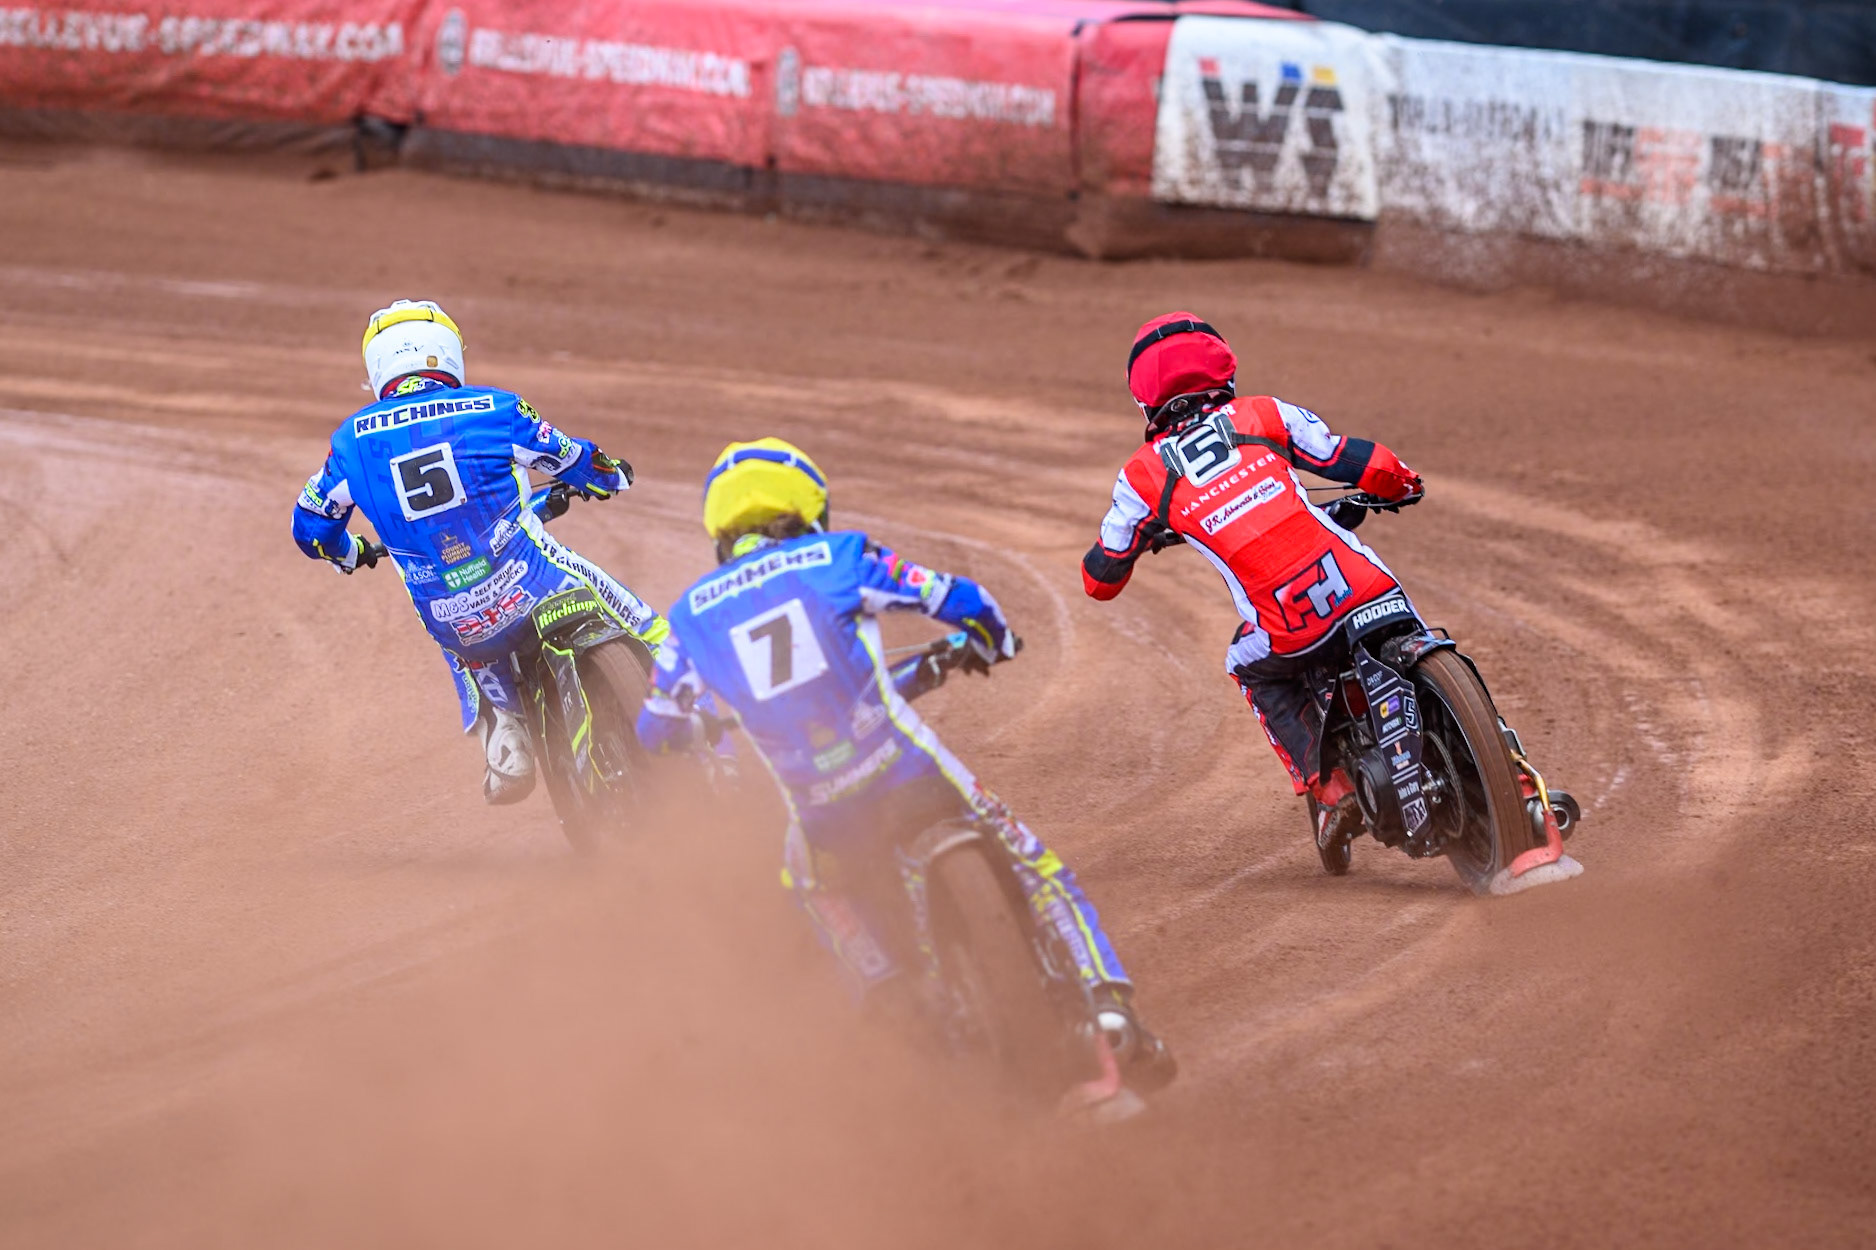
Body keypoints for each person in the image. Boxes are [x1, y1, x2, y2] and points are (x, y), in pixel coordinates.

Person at [636, 437, 1173, 1093]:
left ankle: (893, 1000)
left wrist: (696, 729)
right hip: (906, 770)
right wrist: (990, 640)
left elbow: (654, 729)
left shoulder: (690, 616)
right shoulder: (840, 556)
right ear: (807, 506)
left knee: (812, 888)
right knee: (1038, 868)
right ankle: (1111, 1009)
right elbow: (962, 600)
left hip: (822, 816)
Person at [292, 299, 668, 804]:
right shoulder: (495, 408)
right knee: (646, 623)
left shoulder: (349, 443)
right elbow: (571, 457)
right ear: (448, 352)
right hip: (535, 581)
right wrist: (609, 478)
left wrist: (349, 551)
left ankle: (506, 734)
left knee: (454, 624)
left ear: (377, 367)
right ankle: (705, 720)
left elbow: (310, 526)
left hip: (455, 619)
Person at [1080, 312, 1424, 855]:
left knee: (1243, 663)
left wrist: (1135, 542)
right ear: (1224, 369)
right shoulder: (1266, 412)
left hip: (1290, 629)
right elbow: (1353, 460)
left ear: (1144, 401)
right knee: (1408, 624)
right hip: (1366, 590)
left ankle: (1330, 788)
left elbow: (1099, 581)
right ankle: (1514, 775)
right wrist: (1404, 484)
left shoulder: (1140, 477)